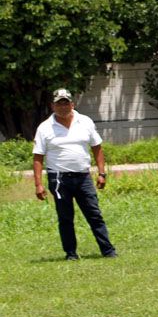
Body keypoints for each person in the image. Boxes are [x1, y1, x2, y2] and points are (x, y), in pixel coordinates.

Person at [32, 88, 117, 260]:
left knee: (94, 213)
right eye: (59, 104)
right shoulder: (45, 127)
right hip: (59, 178)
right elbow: (38, 157)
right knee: (65, 217)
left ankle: (108, 251)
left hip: (83, 176)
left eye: (66, 103)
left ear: (72, 104)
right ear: (52, 106)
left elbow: (97, 148)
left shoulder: (84, 121)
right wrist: (38, 184)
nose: (63, 107)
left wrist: (102, 173)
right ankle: (71, 253)